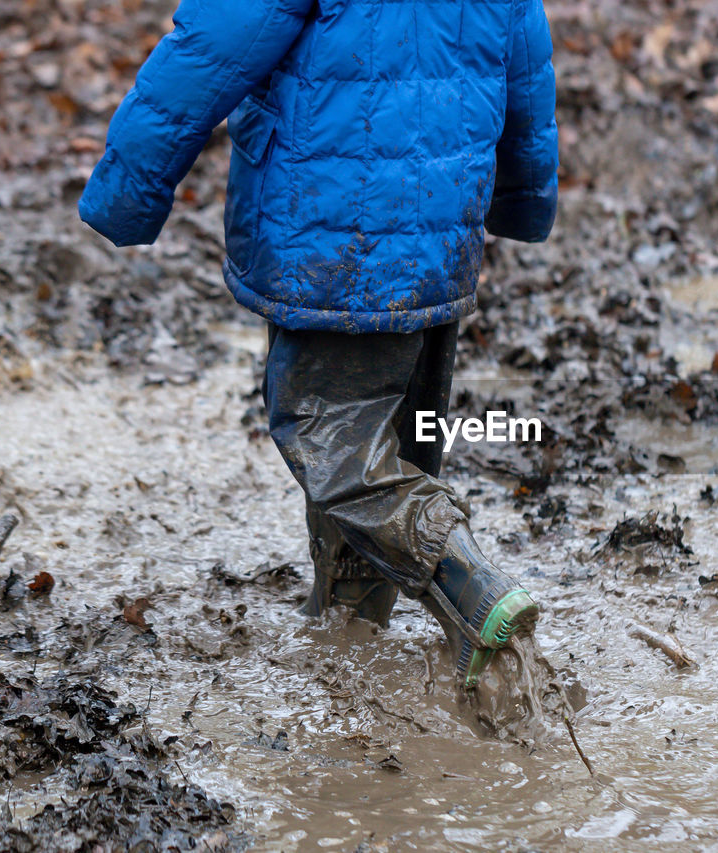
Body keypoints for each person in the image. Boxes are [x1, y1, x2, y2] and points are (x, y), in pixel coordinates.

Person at [77, 0, 558, 689]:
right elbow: (527, 74)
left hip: (330, 235)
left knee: (331, 442)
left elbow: (205, 56)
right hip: (441, 235)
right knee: (392, 447)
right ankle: (351, 643)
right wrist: (524, 200)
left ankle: (469, 581)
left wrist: (128, 189)